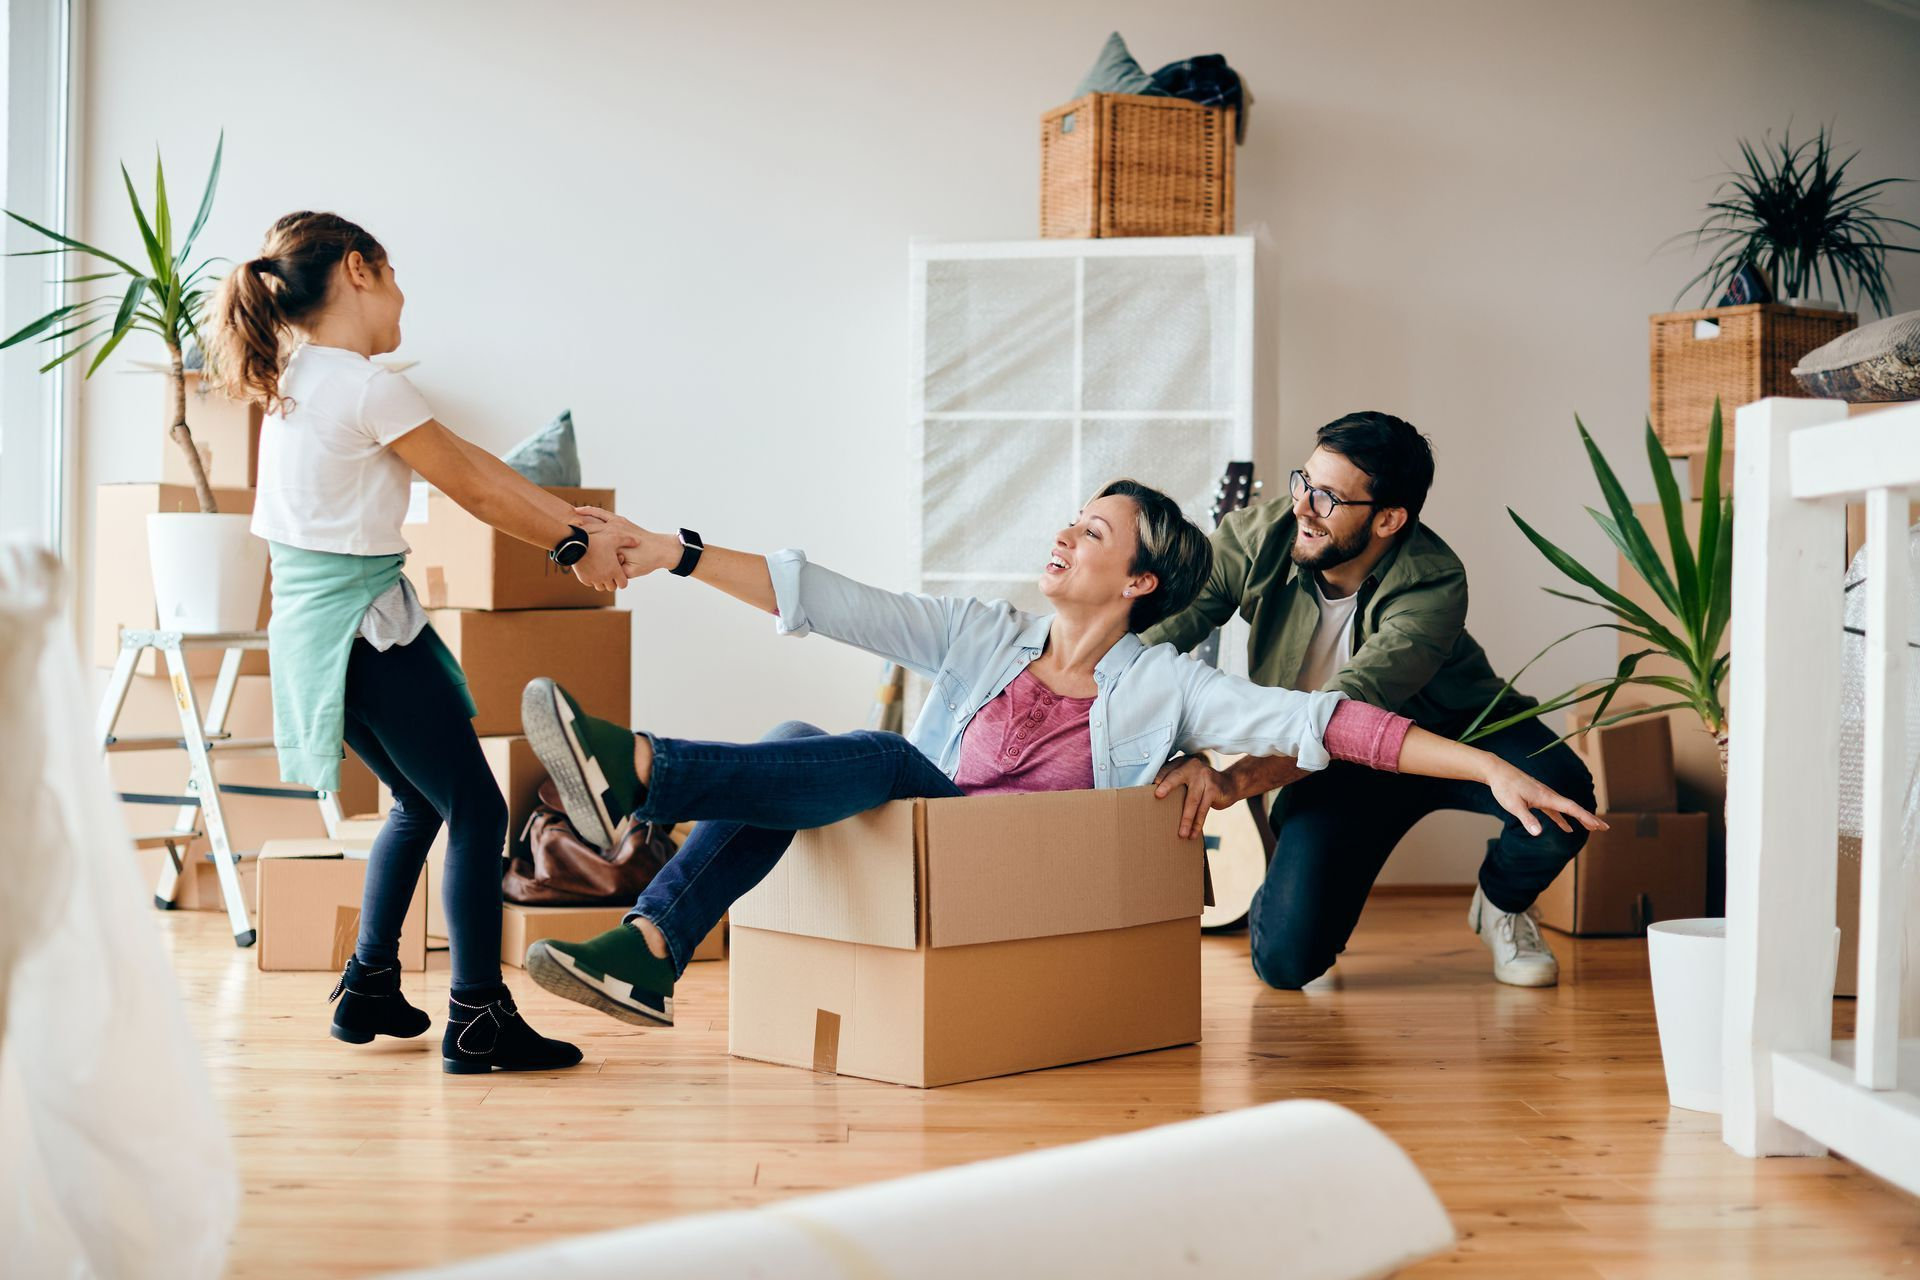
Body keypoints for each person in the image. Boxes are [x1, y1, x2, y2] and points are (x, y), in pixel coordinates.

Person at [513, 481, 1603, 1028]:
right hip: (921, 850)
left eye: (1093, 530)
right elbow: (835, 602)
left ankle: (647, 773)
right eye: (1071, 520)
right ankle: (654, 941)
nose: (1066, 535)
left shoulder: (1164, 682)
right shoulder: (984, 635)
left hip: (1011, 887)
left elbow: (1320, 724)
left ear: (1138, 582)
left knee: (886, 761)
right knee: (816, 742)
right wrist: (676, 552)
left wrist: (1488, 767)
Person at [212, 211, 638, 1073]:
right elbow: (473, 490)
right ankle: (478, 1017)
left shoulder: (303, 382)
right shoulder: (365, 386)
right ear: (360, 270)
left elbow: (472, 461)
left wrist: (574, 521)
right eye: (396, 274)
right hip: (366, 633)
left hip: (316, 635)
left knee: (419, 803)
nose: (404, 294)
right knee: (476, 809)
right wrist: (571, 545)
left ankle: (370, 985)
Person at [1143, 412, 1598, 990]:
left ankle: (1502, 904)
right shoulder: (1260, 535)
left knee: (1562, 802)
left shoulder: (1434, 580)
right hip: (1337, 760)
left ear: (1388, 518)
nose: (1302, 507)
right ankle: (1298, 908)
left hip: (1457, 730)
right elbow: (1161, 639)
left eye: (1327, 497)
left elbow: (1349, 709)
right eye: (1302, 482)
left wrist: (1233, 784)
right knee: (1285, 965)